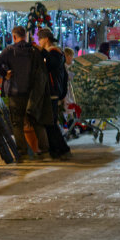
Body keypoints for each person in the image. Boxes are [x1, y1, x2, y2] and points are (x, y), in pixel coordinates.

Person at [0, 26, 48, 162]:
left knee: (17, 123)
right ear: (25, 36)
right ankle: (45, 150)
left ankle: (23, 153)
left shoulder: (9, 51)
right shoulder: (33, 50)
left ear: (14, 36)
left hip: (15, 93)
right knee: (36, 120)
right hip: (31, 92)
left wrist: (5, 74)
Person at [37, 28, 72, 160]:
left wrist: (43, 52)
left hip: (52, 91)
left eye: (40, 39)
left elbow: (52, 64)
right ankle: (58, 149)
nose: (39, 42)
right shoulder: (54, 52)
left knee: (50, 122)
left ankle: (61, 149)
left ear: (45, 39)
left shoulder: (54, 52)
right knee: (50, 122)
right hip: (53, 91)